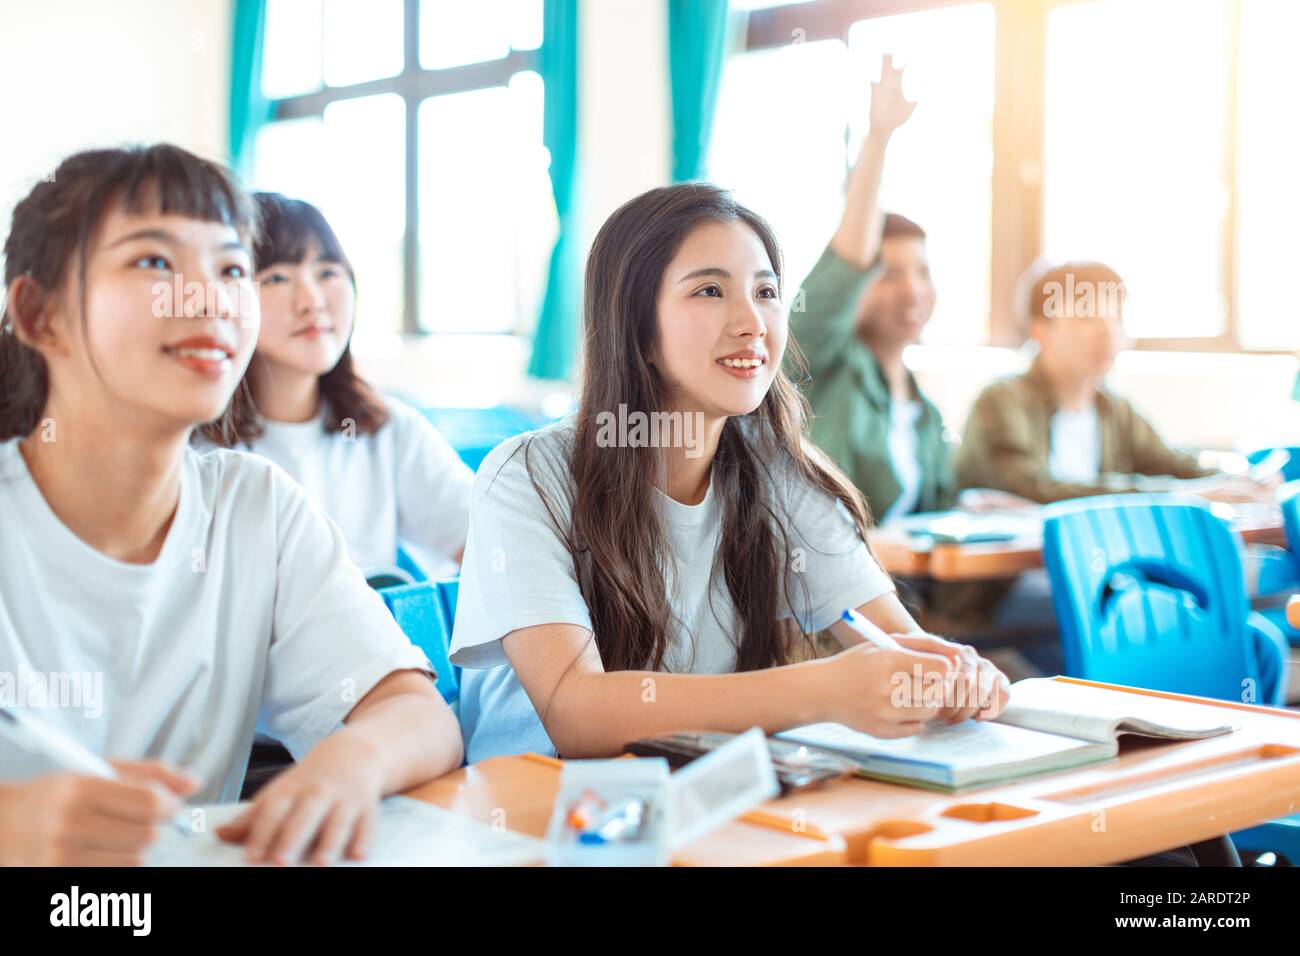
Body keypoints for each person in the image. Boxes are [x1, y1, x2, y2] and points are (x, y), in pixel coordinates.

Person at [0, 145, 463, 866]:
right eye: (155, 263)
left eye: (231, 269)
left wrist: (348, 766)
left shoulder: (258, 506)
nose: (208, 298)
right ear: (40, 315)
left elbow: (415, 715)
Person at [447, 182, 1009, 764]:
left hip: (707, 796)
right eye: (711, 291)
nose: (752, 322)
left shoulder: (775, 469)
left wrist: (950, 671)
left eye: (766, 292)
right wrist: (823, 689)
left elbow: (893, 638)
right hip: (541, 820)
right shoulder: (525, 477)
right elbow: (575, 714)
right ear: (637, 328)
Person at [199, 193, 472, 580]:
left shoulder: (386, 429)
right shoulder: (198, 448)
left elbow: (490, 541)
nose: (312, 301)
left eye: (327, 273)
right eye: (276, 277)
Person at [956, 261, 1274, 505]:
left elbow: (1172, 462)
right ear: (1039, 330)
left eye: (1116, 316)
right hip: (1011, 584)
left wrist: (1241, 478)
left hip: (1091, 576)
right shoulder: (1000, 401)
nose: (1108, 331)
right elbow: (1031, 487)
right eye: (1087, 317)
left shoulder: (1112, 408)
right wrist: (1184, 494)